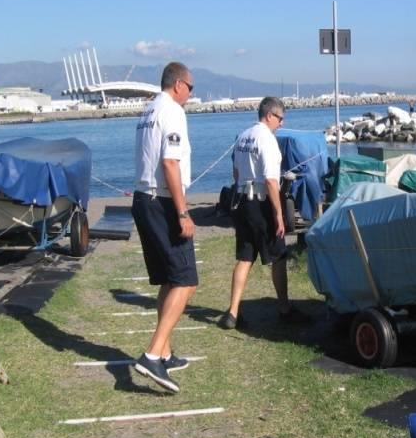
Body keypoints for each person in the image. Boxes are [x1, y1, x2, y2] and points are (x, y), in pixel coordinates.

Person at [131, 61, 197, 393]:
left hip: (144, 198)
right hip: (162, 202)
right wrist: (183, 213)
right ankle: (152, 355)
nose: (191, 94)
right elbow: (170, 162)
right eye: (192, 87)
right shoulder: (171, 111)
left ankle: (165, 351)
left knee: (169, 280)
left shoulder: (148, 110)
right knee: (186, 281)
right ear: (179, 85)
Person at [218, 97, 307, 329]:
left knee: (245, 257)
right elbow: (270, 180)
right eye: (280, 118)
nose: (281, 123)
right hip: (261, 203)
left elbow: (236, 173)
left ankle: (233, 312)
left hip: (242, 202)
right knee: (279, 256)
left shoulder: (243, 137)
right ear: (269, 115)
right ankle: (285, 308)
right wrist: (278, 214)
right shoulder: (267, 139)